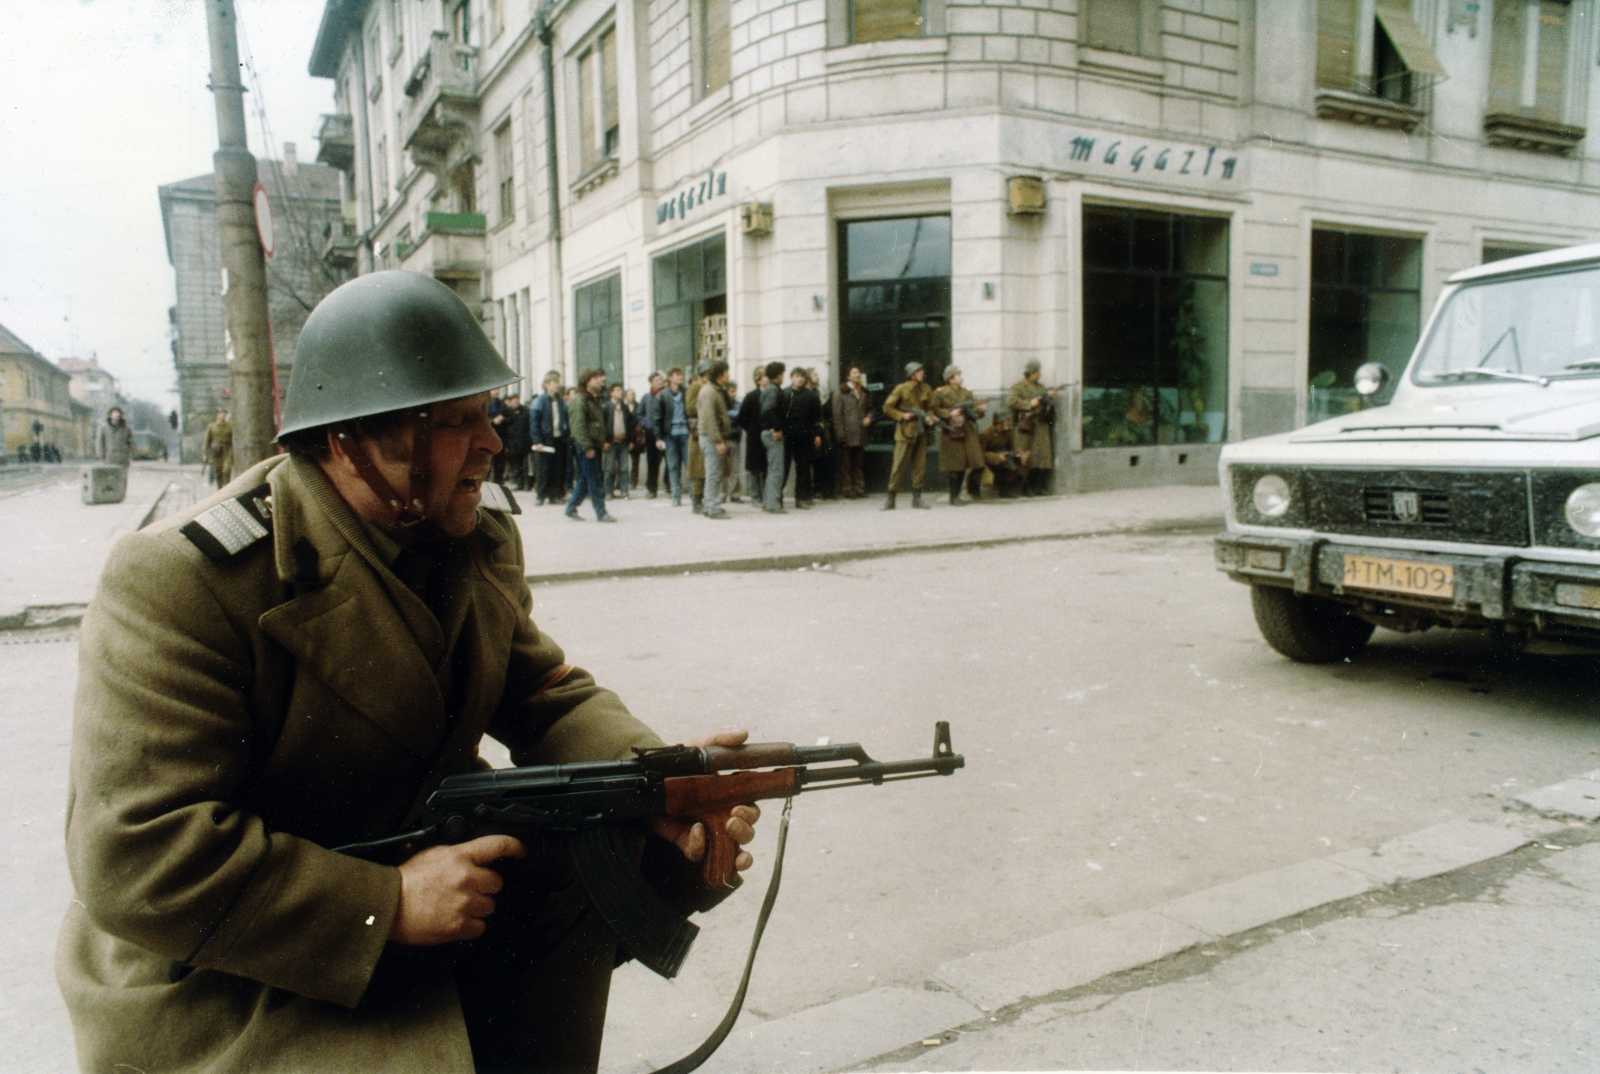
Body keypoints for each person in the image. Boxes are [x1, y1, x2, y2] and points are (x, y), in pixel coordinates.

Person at [57, 271, 759, 1074]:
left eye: (485, 412)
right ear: (350, 441)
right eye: (456, 422)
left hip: (441, 886)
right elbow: (135, 856)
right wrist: (385, 907)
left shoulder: (467, 538)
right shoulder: (188, 580)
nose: (492, 443)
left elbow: (541, 693)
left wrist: (660, 781)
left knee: (616, 869)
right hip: (241, 965)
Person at [881, 361, 938, 510]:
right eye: (919, 371)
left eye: (922, 371)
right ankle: (891, 498)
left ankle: (917, 499)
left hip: (921, 431)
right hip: (905, 431)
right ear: (912, 374)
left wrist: (930, 417)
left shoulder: (926, 388)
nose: (922, 374)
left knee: (920, 466)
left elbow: (931, 408)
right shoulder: (901, 388)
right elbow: (887, 407)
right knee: (898, 465)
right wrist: (902, 415)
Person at [932, 366, 987, 507]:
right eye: (957, 375)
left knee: (969, 463)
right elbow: (934, 410)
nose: (960, 377)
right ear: (950, 379)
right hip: (951, 431)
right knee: (955, 465)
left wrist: (981, 411)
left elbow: (974, 414)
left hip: (967, 431)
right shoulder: (940, 393)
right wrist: (949, 414)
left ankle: (966, 492)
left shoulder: (967, 393)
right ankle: (953, 496)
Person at [566, 369, 615, 522]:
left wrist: (602, 442)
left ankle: (571, 507)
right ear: (587, 382)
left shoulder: (593, 399)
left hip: (593, 445)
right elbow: (578, 427)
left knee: (585, 479)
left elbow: (597, 425)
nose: (600, 380)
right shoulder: (580, 400)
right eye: (595, 378)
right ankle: (601, 513)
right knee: (594, 479)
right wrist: (587, 447)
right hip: (586, 447)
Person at [1008, 358, 1057, 496]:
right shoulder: (1018, 387)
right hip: (1025, 426)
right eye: (1037, 372)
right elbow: (1011, 402)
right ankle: (1024, 487)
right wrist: (1030, 403)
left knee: (1041, 457)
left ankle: (1038, 487)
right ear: (1031, 373)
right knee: (1025, 458)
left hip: (1040, 425)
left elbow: (1045, 403)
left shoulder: (1041, 388)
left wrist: (1049, 397)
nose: (1039, 374)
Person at [697, 361, 733, 521]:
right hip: (711, 437)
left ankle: (709, 505)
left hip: (713, 437)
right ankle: (712, 507)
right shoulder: (709, 392)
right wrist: (718, 441)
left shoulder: (715, 390)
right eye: (727, 372)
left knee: (715, 473)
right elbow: (709, 418)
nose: (728, 375)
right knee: (713, 473)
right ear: (720, 375)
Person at [782, 367, 822, 509]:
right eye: (797, 376)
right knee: (783, 467)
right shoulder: (784, 394)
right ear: (791, 377)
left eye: (802, 377)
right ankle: (777, 497)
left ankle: (801, 498)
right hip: (786, 437)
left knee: (803, 468)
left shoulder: (811, 396)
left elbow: (817, 417)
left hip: (805, 436)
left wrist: (817, 434)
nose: (800, 379)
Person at [529, 372, 570, 505]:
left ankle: (555, 495)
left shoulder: (561, 401)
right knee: (543, 469)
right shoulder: (539, 401)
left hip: (558, 439)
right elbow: (534, 423)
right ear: (547, 385)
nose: (558, 385)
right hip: (545, 441)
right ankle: (540, 496)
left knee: (557, 468)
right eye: (555, 382)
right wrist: (537, 441)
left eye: (558, 382)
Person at [832, 365, 871, 499]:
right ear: (848, 376)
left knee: (859, 463)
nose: (857, 375)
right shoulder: (841, 392)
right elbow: (837, 415)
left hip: (861, 433)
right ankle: (847, 490)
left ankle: (859, 488)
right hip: (847, 434)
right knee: (846, 464)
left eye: (859, 372)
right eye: (854, 373)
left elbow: (871, 409)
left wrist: (869, 417)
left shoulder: (864, 391)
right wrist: (840, 434)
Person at [757, 361, 788, 513]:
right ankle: (773, 504)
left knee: (773, 469)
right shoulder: (773, 390)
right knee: (776, 470)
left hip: (768, 432)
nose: (784, 376)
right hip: (772, 433)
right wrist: (776, 428)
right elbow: (768, 411)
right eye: (782, 373)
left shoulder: (770, 389)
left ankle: (768, 502)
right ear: (778, 375)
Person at [737, 368, 768, 503]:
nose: (767, 379)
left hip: (768, 436)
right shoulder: (751, 396)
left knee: (767, 466)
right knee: (755, 467)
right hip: (754, 436)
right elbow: (741, 418)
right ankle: (755, 496)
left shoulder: (772, 394)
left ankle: (766, 495)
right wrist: (751, 429)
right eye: (765, 376)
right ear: (758, 380)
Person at [600, 383, 635, 500]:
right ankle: (608, 492)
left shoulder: (625, 407)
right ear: (612, 393)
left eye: (621, 390)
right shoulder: (605, 407)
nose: (620, 392)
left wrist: (631, 440)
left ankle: (624, 491)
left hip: (624, 442)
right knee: (609, 468)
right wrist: (604, 441)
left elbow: (630, 425)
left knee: (624, 468)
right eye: (617, 390)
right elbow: (602, 426)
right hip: (610, 442)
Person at [683, 363, 708, 514]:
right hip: (697, 431)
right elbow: (690, 408)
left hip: (705, 430)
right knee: (698, 468)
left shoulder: (707, 387)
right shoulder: (696, 387)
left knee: (704, 467)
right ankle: (696, 500)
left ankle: (703, 499)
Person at [663, 367, 689, 506]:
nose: (680, 377)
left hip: (685, 433)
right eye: (677, 375)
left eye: (681, 375)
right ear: (670, 378)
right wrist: (658, 437)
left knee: (689, 464)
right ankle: (675, 496)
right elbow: (657, 417)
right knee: (673, 466)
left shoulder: (686, 392)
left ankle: (694, 495)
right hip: (670, 435)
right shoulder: (663, 395)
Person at [639, 372, 666, 498]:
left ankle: (670, 486)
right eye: (656, 380)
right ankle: (651, 489)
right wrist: (647, 424)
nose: (660, 381)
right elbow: (639, 414)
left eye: (661, 379)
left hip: (666, 433)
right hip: (651, 434)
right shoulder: (646, 397)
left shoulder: (666, 395)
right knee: (653, 462)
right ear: (651, 382)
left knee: (671, 460)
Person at [496, 392, 531, 491]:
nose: (516, 403)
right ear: (510, 402)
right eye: (514, 401)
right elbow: (498, 423)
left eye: (517, 400)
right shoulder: (505, 411)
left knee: (525, 465)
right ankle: (517, 482)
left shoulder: (525, 410)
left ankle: (526, 484)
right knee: (515, 464)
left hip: (524, 442)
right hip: (511, 443)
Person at [201, 409, 232, 487]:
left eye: (224, 413)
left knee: (226, 470)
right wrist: (205, 454)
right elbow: (206, 441)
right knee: (218, 471)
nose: (223, 415)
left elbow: (233, 440)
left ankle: (227, 488)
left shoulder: (230, 426)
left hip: (227, 451)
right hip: (216, 452)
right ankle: (220, 488)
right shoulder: (211, 426)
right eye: (221, 413)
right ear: (217, 415)